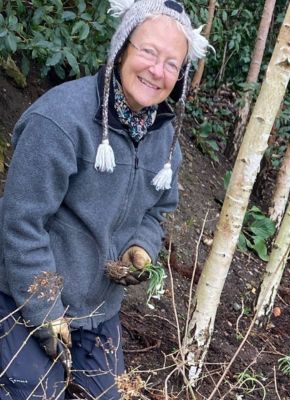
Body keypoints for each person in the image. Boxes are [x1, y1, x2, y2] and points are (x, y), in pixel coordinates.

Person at [0, 0, 208, 398]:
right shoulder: (60, 120)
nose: (156, 70)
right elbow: (21, 224)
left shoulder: (166, 142)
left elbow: (157, 212)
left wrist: (140, 248)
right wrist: (44, 309)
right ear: (121, 48)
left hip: (96, 308)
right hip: (21, 291)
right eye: (148, 51)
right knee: (32, 390)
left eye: (171, 63)